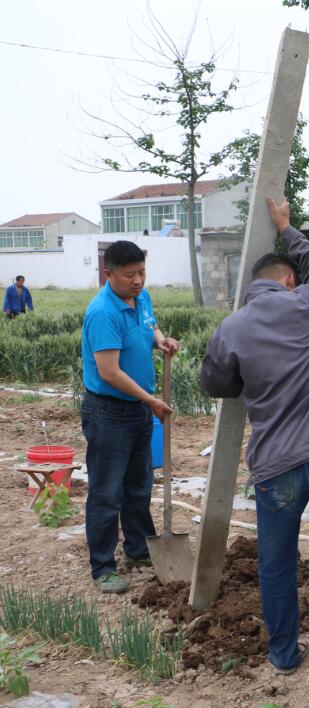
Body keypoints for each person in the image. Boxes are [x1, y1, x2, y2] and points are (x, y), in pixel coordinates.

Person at [201, 197, 309, 684]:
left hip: (276, 466)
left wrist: (250, 377)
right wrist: (287, 227)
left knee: (276, 564)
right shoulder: (308, 305)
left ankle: (284, 655)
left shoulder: (232, 328)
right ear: (289, 280)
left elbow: (215, 383)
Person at [80, 242, 178, 594]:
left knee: (139, 485)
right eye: (129, 275)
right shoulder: (103, 312)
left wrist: (161, 340)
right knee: (107, 492)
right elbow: (109, 372)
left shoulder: (141, 297)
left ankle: (138, 550)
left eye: (142, 273)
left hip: (137, 409)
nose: (138, 280)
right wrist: (150, 400)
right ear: (108, 274)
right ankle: (103, 567)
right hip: (109, 412)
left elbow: (149, 326)